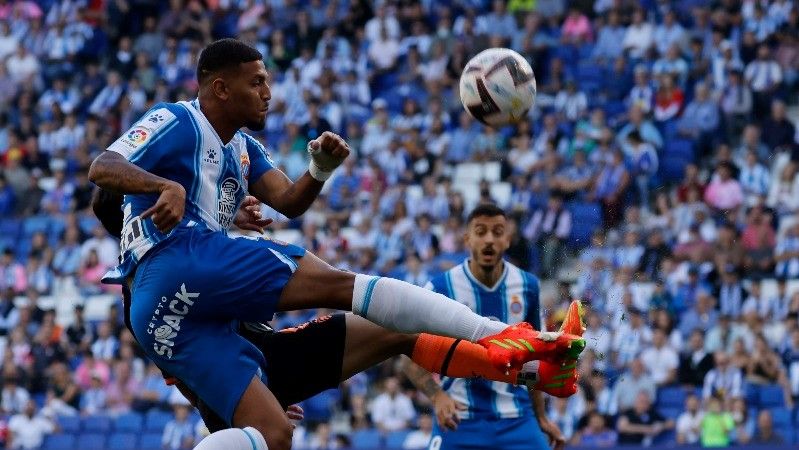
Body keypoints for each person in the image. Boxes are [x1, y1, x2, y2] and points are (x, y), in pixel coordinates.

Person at [87, 38, 584, 450]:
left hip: (184, 322)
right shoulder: (178, 120)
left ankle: (527, 368)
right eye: (257, 81)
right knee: (344, 286)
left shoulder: (240, 150)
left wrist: (320, 169)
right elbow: (103, 168)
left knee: (277, 433)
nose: (268, 91)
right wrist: (163, 188)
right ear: (220, 86)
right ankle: (506, 336)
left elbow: (288, 199)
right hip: (184, 276)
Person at [92, 193, 586, 446]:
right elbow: (184, 372)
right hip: (239, 380)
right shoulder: (146, 286)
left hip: (264, 362)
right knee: (347, 292)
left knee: (398, 331)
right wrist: (245, 399)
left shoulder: (172, 250)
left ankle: (533, 368)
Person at [401, 205, 584, 450]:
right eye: (481, 231)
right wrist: (437, 396)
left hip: (516, 419)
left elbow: (535, 357)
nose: (489, 239)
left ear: (507, 240)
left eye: (497, 232)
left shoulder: (527, 286)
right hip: (459, 417)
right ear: (467, 239)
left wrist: (540, 417)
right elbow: (407, 356)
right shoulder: (439, 288)